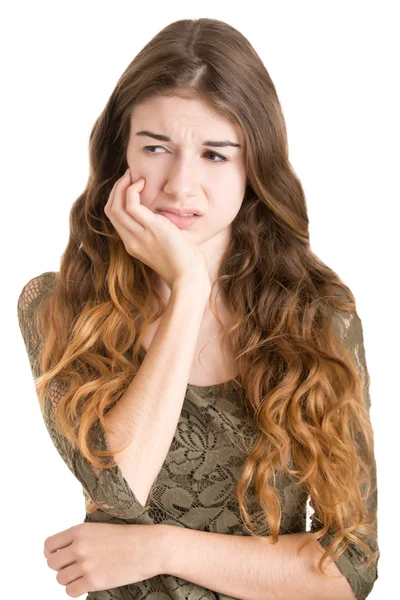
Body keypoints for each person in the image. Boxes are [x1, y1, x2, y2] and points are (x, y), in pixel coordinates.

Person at [17, 17, 379, 600]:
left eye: (215, 154)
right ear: (120, 154)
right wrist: (188, 287)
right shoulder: (63, 306)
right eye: (156, 147)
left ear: (253, 166)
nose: (180, 186)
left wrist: (162, 547)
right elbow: (119, 489)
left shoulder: (319, 317)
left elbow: (351, 564)